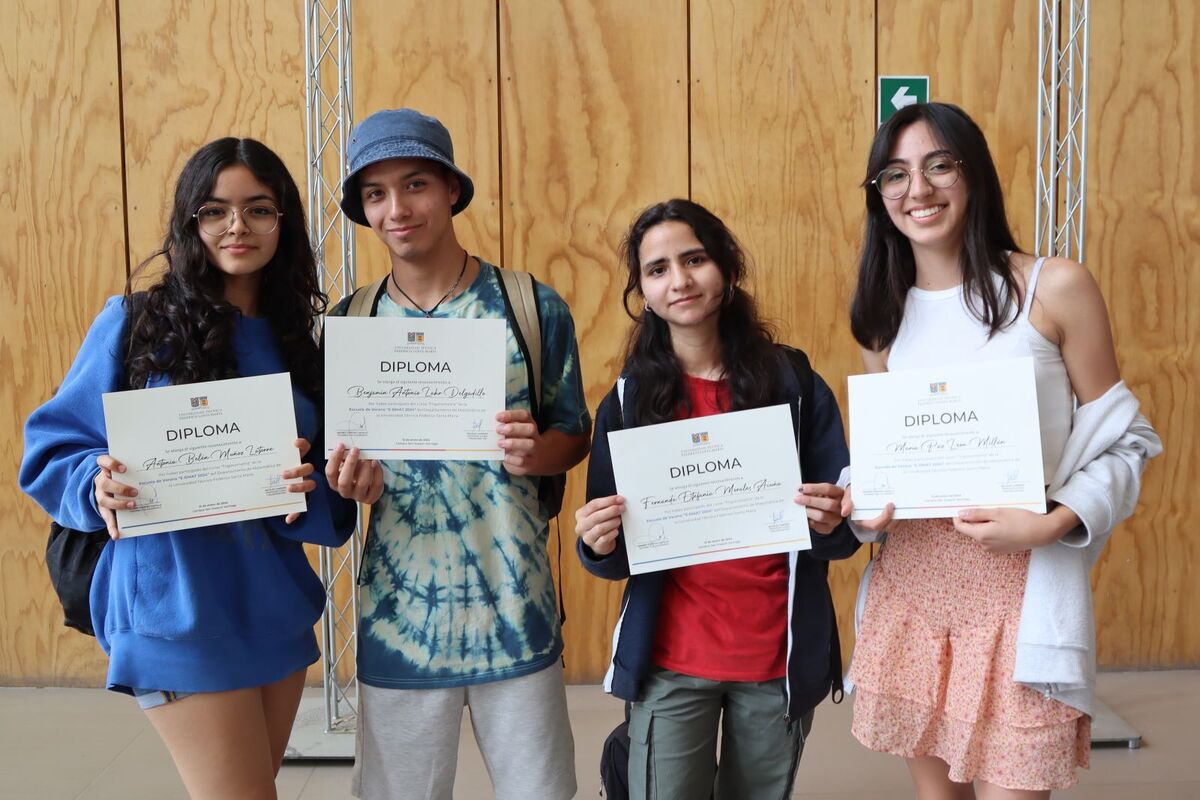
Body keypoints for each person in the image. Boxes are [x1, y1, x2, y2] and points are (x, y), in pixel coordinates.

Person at [19, 138, 356, 799]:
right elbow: (50, 449)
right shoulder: (136, 323)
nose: (237, 226)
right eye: (215, 210)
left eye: (259, 209)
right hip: (173, 606)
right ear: (189, 220)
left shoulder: (300, 343)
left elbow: (328, 511)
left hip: (275, 608)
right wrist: (96, 483)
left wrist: (304, 488)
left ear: (283, 222)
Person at [843, 102, 1162, 798]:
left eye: (939, 165)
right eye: (895, 174)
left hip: (1021, 595)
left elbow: (1127, 442)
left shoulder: (1054, 287)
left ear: (974, 174)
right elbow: (885, 457)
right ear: (879, 193)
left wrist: (1053, 522)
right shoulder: (881, 317)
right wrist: (859, 500)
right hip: (914, 590)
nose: (918, 189)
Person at [325, 108, 591, 800]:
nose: (396, 209)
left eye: (414, 184)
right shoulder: (349, 326)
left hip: (517, 607)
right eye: (376, 194)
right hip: (399, 621)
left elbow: (574, 434)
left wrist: (536, 453)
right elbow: (335, 468)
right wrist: (349, 483)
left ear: (451, 189)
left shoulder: (529, 306)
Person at [575, 199, 859, 799]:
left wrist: (833, 517)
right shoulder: (627, 402)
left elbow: (839, 532)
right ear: (643, 293)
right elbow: (612, 552)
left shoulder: (795, 385)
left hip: (774, 658)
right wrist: (597, 542)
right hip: (671, 658)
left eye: (694, 259)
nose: (679, 280)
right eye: (657, 270)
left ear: (728, 269)